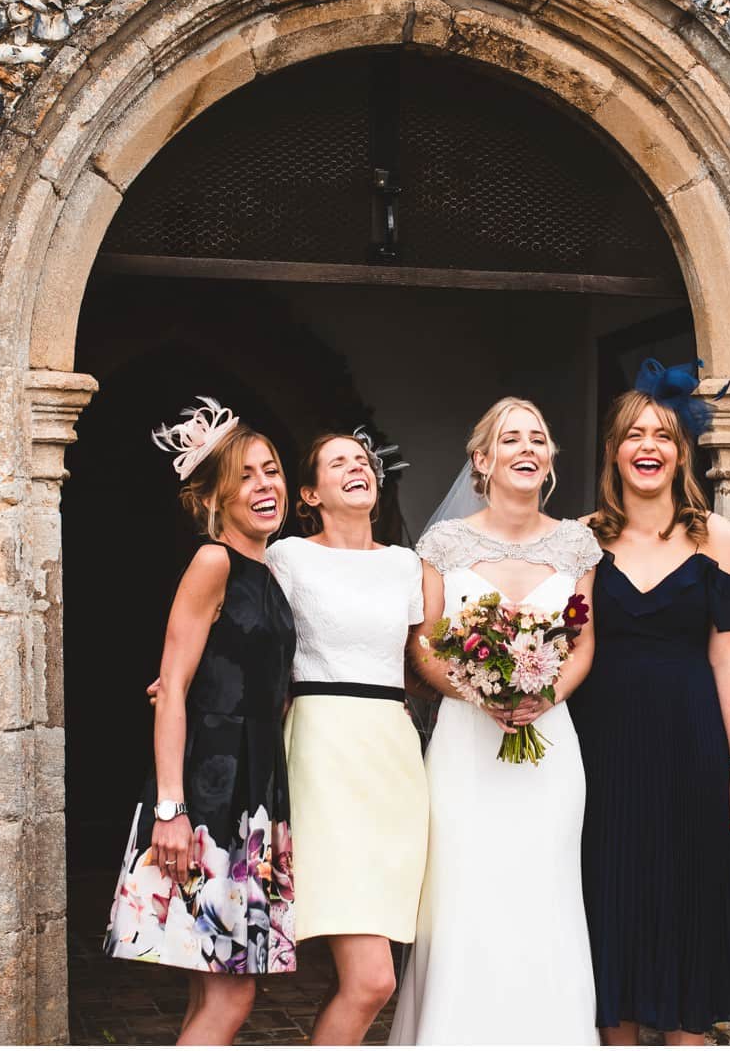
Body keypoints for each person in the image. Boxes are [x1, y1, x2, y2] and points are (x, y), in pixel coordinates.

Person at [390, 398, 604, 1045]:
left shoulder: (576, 545)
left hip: (550, 746)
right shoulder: (444, 544)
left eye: (537, 438)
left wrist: (545, 695)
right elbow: (425, 643)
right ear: (482, 460)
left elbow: (583, 643)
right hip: (465, 744)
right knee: (464, 894)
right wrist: (478, 692)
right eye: (511, 439)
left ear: (550, 459)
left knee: (546, 893)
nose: (527, 448)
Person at [575, 363, 730, 1043]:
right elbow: (569, 648)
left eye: (662, 434)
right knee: (613, 903)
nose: (647, 446)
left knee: (689, 905)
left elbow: (726, 656)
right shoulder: (583, 538)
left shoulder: (716, 536)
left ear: (681, 452)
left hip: (691, 745)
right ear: (613, 451)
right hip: (605, 749)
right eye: (634, 434)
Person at [104, 399, 297, 1045]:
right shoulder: (214, 562)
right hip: (207, 801)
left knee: (212, 987)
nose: (265, 486)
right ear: (214, 496)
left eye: (271, 471)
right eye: (245, 476)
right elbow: (173, 691)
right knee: (233, 993)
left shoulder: (270, 573)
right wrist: (171, 810)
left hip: (255, 798)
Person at [268, 431, 428, 1045]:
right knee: (372, 981)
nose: (357, 468)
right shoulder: (289, 557)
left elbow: (420, 664)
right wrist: (188, 682)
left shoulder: (405, 564)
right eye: (338, 463)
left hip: (393, 753)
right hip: (323, 746)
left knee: (374, 973)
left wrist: (500, 678)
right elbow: (252, 637)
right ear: (310, 494)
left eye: (362, 461)